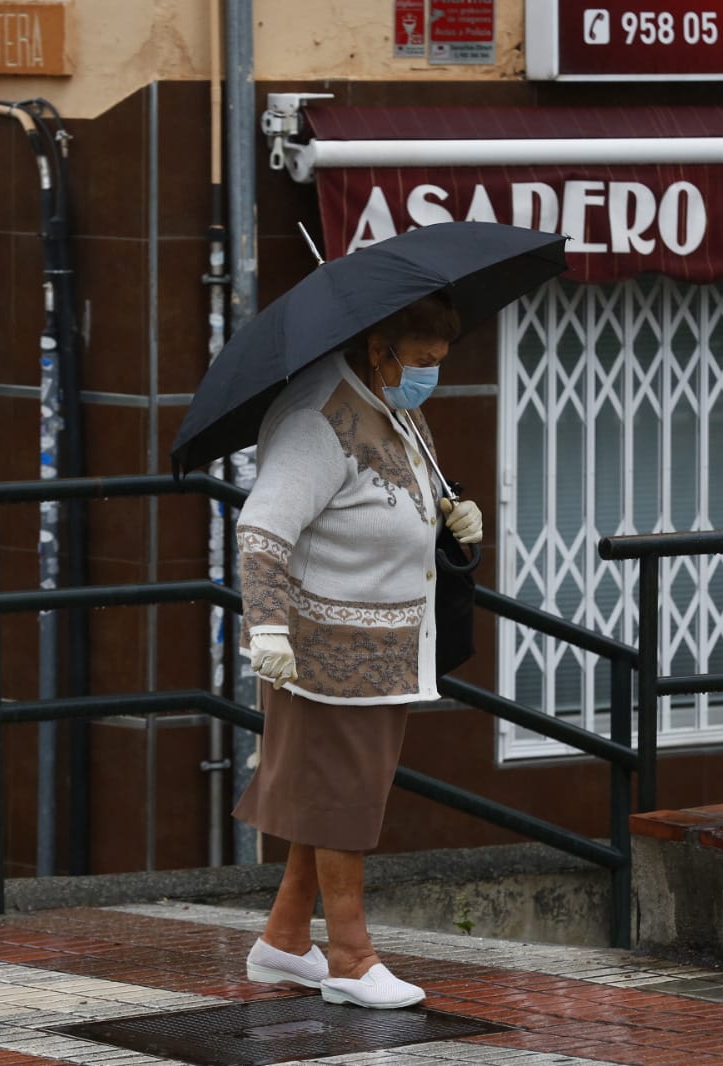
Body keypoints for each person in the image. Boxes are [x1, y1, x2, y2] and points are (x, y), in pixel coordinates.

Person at [230, 291, 482, 1010]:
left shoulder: (391, 403)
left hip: (382, 649)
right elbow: (262, 528)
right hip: (326, 653)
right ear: (378, 345)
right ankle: (350, 957)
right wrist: (269, 629)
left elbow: (391, 496)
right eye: (422, 360)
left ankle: (282, 942)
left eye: (438, 363)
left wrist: (448, 517)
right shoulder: (319, 418)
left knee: (333, 798)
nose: (430, 374)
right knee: (340, 801)